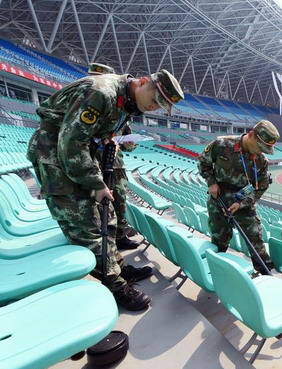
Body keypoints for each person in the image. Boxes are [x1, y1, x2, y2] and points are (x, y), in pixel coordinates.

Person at [26, 68, 184, 311]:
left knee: (106, 216)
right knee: (86, 223)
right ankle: (115, 286)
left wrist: (110, 141)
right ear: (142, 82)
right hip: (55, 153)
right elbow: (71, 143)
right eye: (154, 100)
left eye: (161, 106)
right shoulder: (101, 92)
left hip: (82, 153)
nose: (155, 107)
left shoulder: (128, 102)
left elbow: (99, 132)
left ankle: (116, 266)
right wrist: (96, 182)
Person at [198, 120, 279, 273]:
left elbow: (261, 187)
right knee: (219, 238)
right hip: (219, 198)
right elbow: (203, 162)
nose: (261, 152)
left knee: (255, 237)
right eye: (260, 147)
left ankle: (265, 271)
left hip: (243, 201)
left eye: (265, 149)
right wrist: (211, 182)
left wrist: (242, 204)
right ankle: (217, 269)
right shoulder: (222, 144)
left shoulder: (261, 160)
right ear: (251, 135)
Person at [87, 63, 139, 250]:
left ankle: (120, 236)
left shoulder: (120, 112)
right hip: (93, 165)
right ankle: (107, 244)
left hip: (115, 165)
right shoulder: (90, 101)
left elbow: (128, 145)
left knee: (120, 202)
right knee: (100, 206)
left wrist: (128, 144)